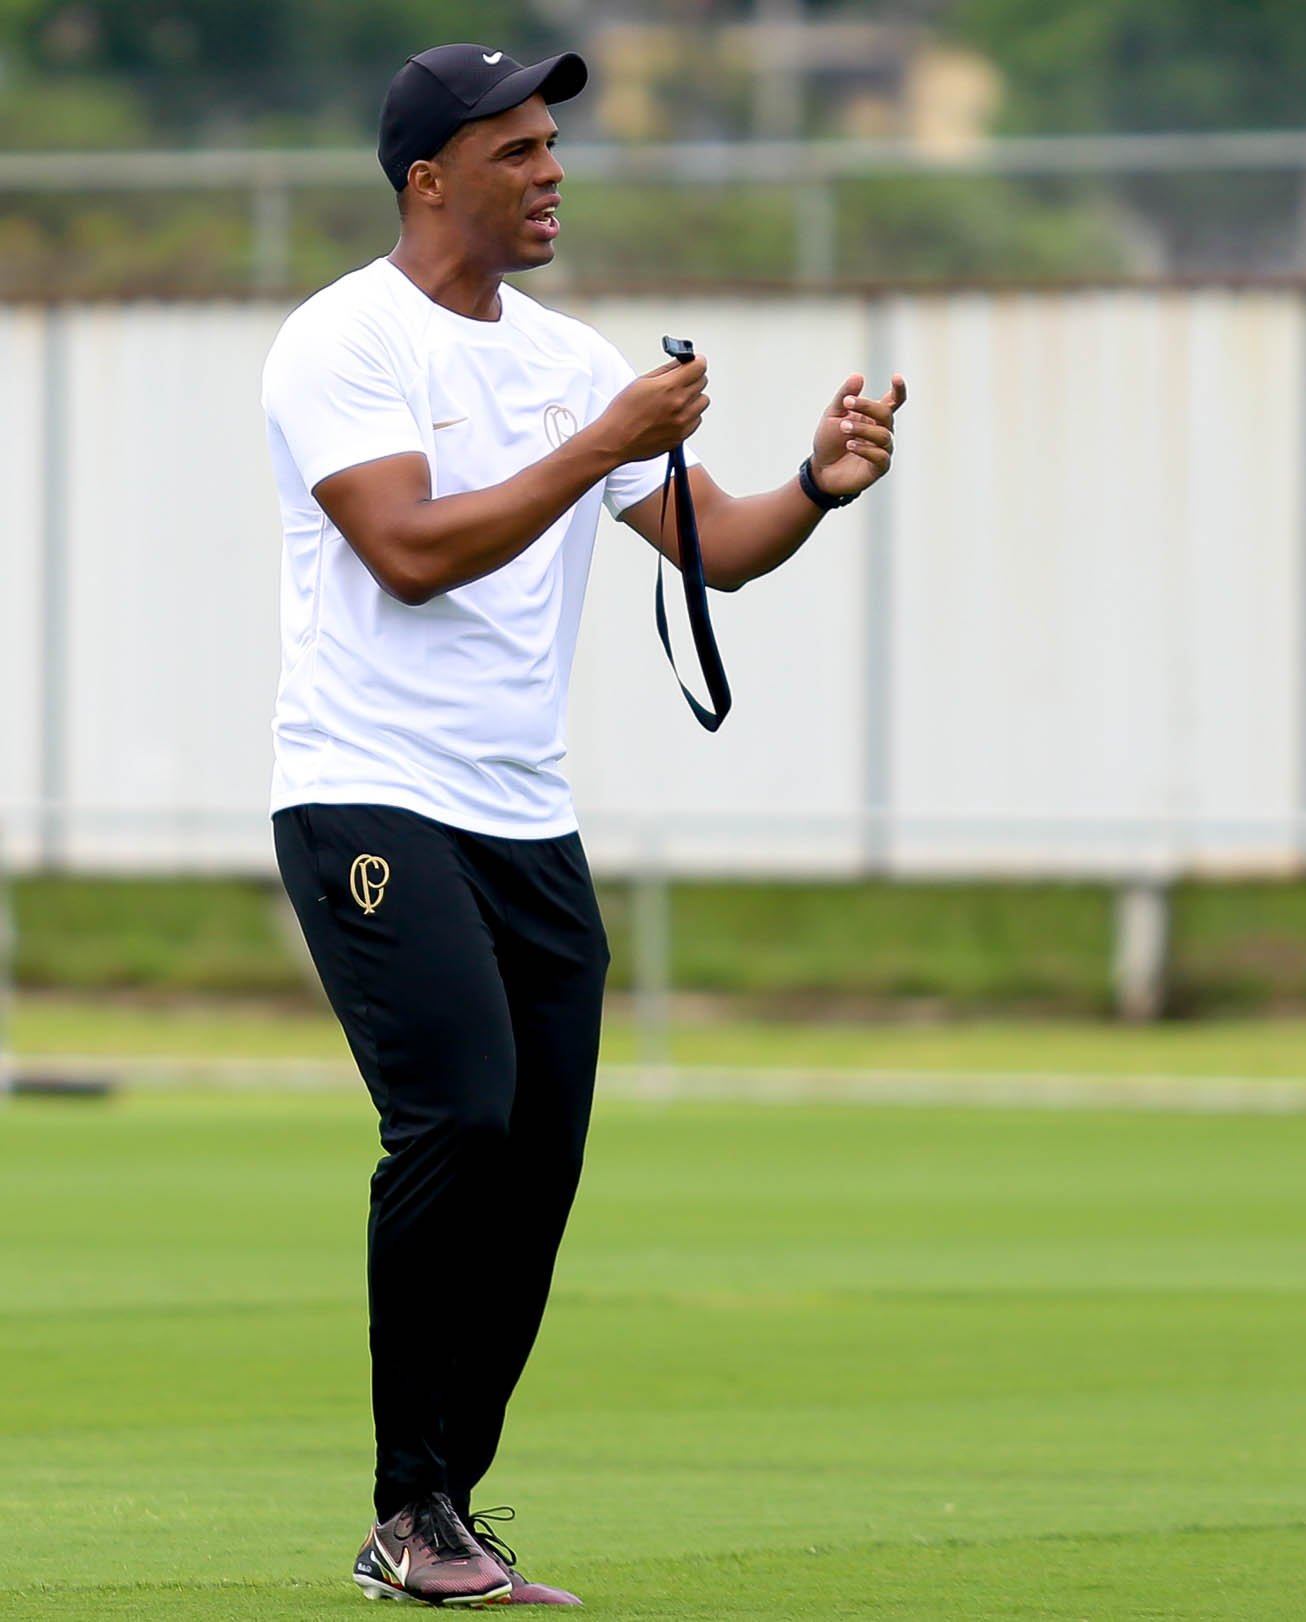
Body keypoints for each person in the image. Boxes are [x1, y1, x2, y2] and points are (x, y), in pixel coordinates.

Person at [260, 42, 906, 1608]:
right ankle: (406, 1506)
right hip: (368, 790)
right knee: (460, 1118)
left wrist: (815, 485)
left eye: (556, 145)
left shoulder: (569, 356)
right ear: (430, 179)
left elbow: (715, 547)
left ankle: (444, 1511)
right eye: (517, 150)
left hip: (522, 820)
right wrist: (603, 443)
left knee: (535, 1169)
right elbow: (411, 550)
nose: (553, 171)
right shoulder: (338, 341)